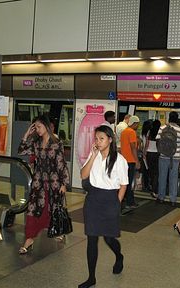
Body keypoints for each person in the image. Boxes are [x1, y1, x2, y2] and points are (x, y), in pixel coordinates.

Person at [79, 125, 128, 288]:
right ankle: (91, 277)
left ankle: (119, 256)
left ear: (110, 140)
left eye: (102, 139)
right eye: (96, 139)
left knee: (108, 238)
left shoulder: (119, 160)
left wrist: (117, 203)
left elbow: (123, 185)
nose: (98, 142)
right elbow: (83, 175)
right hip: (93, 199)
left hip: (110, 200)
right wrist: (93, 156)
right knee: (91, 239)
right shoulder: (94, 155)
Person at [18, 115, 70, 254]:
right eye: (35, 127)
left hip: (54, 183)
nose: (38, 130)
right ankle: (29, 239)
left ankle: (57, 230)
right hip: (38, 183)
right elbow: (21, 151)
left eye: (39, 127)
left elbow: (61, 164)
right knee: (33, 209)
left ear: (46, 126)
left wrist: (64, 183)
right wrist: (26, 135)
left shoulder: (56, 143)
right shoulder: (36, 142)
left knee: (53, 208)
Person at [156, 111, 180, 206]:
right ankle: (173, 199)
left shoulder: (162, 128)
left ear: (169, 118)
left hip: (163, 156)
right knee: (173, 179)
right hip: (175, 157)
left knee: (162, 177)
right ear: (177, 119)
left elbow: (157, 140)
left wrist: (160, 151)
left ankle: (161, 198)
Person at [120, 115, 140, 208]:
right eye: (137, 124)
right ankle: (130, 202)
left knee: (124, 182)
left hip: (124, 160)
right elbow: (133, 147)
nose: (138, 126)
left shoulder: (124, 132)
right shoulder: (132, 132)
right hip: (130, 160)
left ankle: (124, 200)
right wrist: (137, 161)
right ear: (134, 123)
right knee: (130, 182)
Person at [143, 120, 161, 198]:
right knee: (157, 173)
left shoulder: (149, 132)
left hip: (149, 153)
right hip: (157, 154)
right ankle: (155, 190)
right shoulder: (160, 133)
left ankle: (152, 188)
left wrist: (144, 152)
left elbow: (147, 144)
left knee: (151, 172)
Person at [140, 119, 153, 192]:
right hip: (148, 153)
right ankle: (148, 185)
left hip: (144, 154)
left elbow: (141, 145)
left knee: (145, 171)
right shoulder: (150, 133)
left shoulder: (142, 134)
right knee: (149, 171)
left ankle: (145, 185)